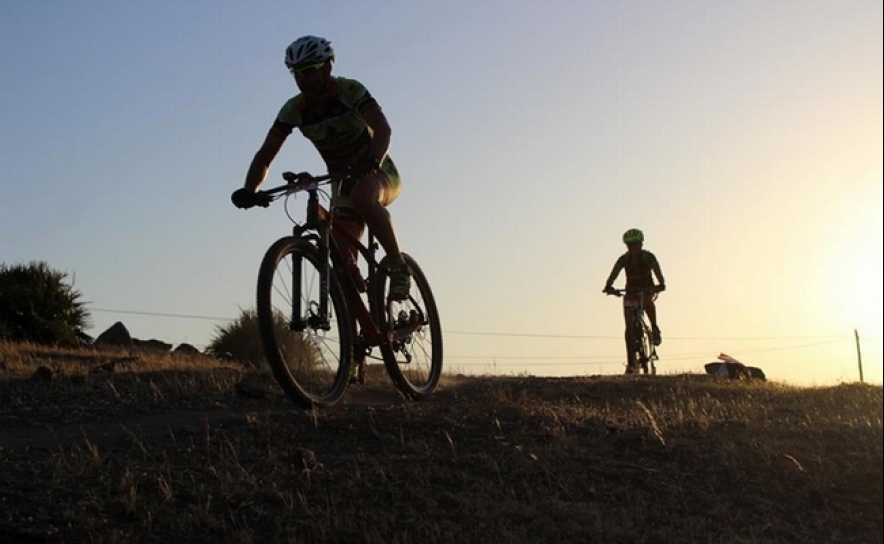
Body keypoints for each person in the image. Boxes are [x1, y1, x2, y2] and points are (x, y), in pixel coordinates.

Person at [231, 35, 410, 300]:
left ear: (327, 67)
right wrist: (250, 189)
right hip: (342, 181)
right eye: (296, 74)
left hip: (377, 169)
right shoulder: (295, 109)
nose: (303, 80)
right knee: (340, 261)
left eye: (309, 72)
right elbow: (265, 155)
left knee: (363, 195)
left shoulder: (349, 90)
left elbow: (383, 129)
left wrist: (373, 159)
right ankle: (356, 334)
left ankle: (397, 265)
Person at [603, 228, 666, 371]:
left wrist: (661, 284)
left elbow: (657, 271)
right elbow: (614, 273)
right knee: (629, 327)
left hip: (646, 288)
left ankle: (655, 328)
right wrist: (608, 286)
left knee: (648, 301)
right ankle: (631, 363)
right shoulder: (623, 259)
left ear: (641, 244)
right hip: (631, 290)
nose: (633, 248)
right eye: (630, 245)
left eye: (636, 244)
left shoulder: (648, 257)